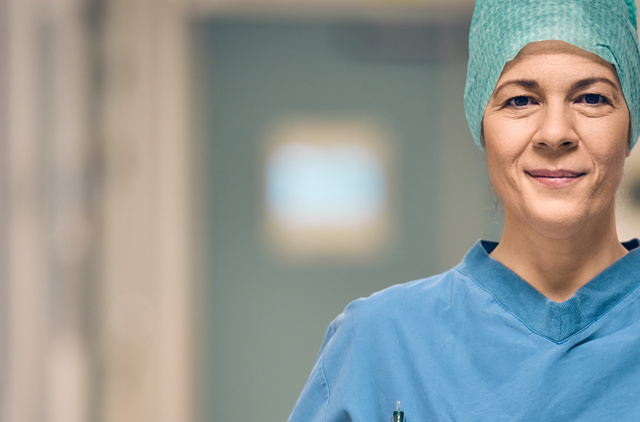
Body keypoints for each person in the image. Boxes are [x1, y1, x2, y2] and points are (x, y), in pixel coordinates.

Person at [289, 0, 640, 420]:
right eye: (520, 100)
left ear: (630, 125)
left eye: (592, 97)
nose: (554, 133)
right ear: (482, 124)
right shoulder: (382, 342)